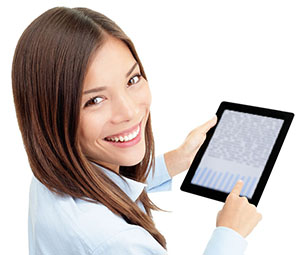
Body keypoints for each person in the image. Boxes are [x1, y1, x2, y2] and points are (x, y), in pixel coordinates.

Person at [11, 6, 262, 255]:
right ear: (52, 116)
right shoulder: (119, 242)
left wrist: (177, 159)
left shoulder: (49, 178)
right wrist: (230, 233)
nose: (129, 112)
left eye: (132, 80)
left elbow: (106, 188)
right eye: (95, 100)